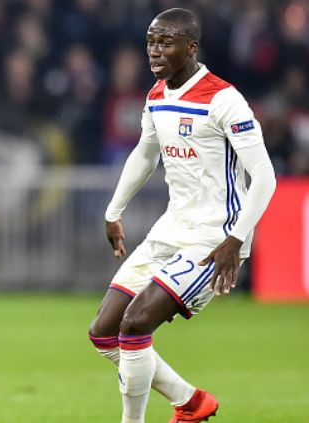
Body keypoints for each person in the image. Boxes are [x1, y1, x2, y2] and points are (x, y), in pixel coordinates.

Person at [88, 8, 276, 423]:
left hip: (214, 238)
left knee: (136, 325)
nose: (155, 51)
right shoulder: (156, 95)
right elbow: (144, 154)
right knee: (104, 333)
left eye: (166, 43)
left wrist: (237, 239)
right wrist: (113, 211)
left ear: (191, 48)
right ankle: (190, 403)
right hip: (172, 228)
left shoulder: (224, 99)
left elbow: (263, 176)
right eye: (151, 42)